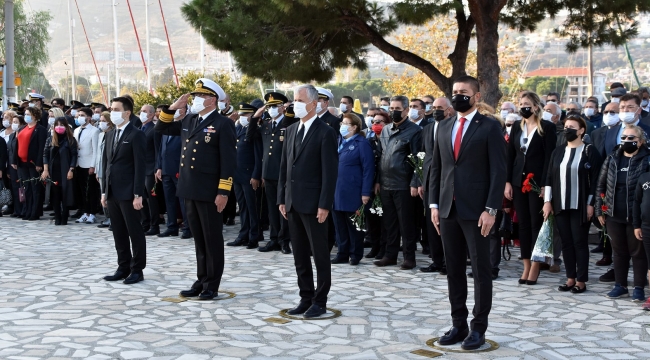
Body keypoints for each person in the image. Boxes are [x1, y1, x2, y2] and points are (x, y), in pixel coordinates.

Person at [429, 75, 507, 350]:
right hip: (448, 208)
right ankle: (458, 324)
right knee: (453, 270)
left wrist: (491, 209)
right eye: (454, 91)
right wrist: (434, 205)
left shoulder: (489, 127)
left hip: (477, 212)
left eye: (463, 92)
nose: (457, 95)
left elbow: (499, 171)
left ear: (476, 97)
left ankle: (478, 328)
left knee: (480, 269)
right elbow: (436, 168)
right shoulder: (443, 126)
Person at [155, 78, 237, 300]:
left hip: (210, 191)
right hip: (189, 188)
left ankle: (212, 284)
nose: (196, 100)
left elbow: (228, 161)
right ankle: (201, 279)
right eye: (195, 96)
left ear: (212, 99)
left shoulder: (223, 124)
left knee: (212, 238)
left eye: (200, 96)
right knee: (199, 238)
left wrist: (223, 192)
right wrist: (173, 107)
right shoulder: (189, 119)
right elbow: (161, 128)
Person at [278, 84, 338, 318]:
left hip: (314, 204)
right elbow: (284, 167)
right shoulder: (292, 129)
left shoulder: (326, 132)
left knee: (319, 254)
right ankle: (306, 296)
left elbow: (330, 172)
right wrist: (282, 198)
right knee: (300, 254)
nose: (296, 104)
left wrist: (324, 204)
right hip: (293, 202)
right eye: (295, 100)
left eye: (300, 100)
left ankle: (320, 301)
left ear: (314, 104)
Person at [543, 115, 602, 294]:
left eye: (572, 127)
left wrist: (591, 203)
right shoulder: (558, 151)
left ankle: (581, 281)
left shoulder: (589, 151)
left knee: (579, 242)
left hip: (581, 205)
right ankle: (570, 278)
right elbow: (548, 177)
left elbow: (596, 181)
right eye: (566, 126)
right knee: (566, 242)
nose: (567, 129)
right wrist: (547, 201)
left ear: (581, 130)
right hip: (560, 204)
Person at [504, 91, 557, 285]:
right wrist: (508, 181)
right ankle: (526, 264)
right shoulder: (517, 127)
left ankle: (536, 265)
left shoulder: (547, 128)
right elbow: (510, 155)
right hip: (518, 182)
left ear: (536, 106)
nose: (523, 106)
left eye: (526, 103)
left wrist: (545, 185)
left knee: (537, 224)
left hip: (537, 184)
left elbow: (550, 159)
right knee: (523, 224)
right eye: (520, 103)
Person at [596, 125, 650, 302]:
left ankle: (639, 287)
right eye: (624, 138)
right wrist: (599, 209)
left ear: (640, 141)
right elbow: (601, 185)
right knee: (619, 252)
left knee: (637, 252)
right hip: (613, 213)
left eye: (631, 138)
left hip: (636, 216)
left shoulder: (647, 160)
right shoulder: (612, 158)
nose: (627, 141)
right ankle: (620, 286)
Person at [101, 97, 147, 285]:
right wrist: (104, 191)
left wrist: (138, 194)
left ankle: (137, 269)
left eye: (116, 109)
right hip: (112, 192)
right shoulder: (110, 134)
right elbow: (106, 164)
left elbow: (140, 166)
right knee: (118, 231)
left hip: (129, 192)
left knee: (134, 231)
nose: (112, 112)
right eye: (111, 109)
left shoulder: (136, 135)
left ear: (127, 113)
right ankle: (123, 266)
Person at [373, 95, 423, 270]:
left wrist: (415, 182)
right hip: (386, 183)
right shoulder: (385, 130)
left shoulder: (415, 131)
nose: (394, 112)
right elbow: (379, 156)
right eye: (391, 109)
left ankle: (409, 257)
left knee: (406, 223)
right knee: (389, 222)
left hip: (404, 184)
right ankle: (390, 255)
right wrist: (377, 181)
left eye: (397, 109)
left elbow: (419, 159)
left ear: (407, 110)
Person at [247, 92, 297, 254]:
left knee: (283, 208)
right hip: (268, 173)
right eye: (269, 106)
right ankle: (274, 239)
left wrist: (289, 111)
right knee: (272, 209)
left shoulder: (289, 123)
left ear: (283, 107)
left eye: (275, 106)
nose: (271, 109)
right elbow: (250, 136)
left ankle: (284, 240)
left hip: (283, 173)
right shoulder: (267, 124)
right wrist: (255, 117)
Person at [331, 113, 374, 265]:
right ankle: (342, 253)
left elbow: (368, 169)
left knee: (354, 226)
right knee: (340, 225)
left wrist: (365, 192)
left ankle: (355, 254)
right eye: (342, 123)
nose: (342, 126)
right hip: (337, 190)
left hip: (353, 191)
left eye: (346, 123)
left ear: (354, 127)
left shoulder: (362, 144)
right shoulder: (338, 141)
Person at [419, 96, 453, 274]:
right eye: (433, 107)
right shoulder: (428, 129)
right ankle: (437, 260)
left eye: (440, 107)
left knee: (447, 222)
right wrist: (420, 181)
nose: (436, 110)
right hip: (429, 182)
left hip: (447, 182)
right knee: (431, 222)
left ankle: (450, 261)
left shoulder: (453, 126)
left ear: (449, 110)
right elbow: (424, 156)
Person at [227, 103, 263, 249]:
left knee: (252, 207)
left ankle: (254, 236)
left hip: (249, 175)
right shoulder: (238, 128)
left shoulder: (255, 132)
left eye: (245, 115)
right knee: (242, 207)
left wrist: (256, 175)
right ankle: (243, 234)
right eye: (241, 115)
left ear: (252, 116)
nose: (242, 117)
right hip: (237, 174)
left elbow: (258, 155)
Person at [156, 103, 192, 239]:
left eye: (179, 108)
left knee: (183, 200)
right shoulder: (168, 127)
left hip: (179, 169)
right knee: (169, 200)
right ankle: (171, 227)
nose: (176, 111)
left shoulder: (185, 126)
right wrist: (159, 167)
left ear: (184, 111)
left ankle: (188, 227)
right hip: (166, 168)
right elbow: (161, 149)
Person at [11, 106, 47, 221]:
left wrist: (39, 163)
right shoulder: (22, 128)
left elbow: (42, 147)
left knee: (35, 188)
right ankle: (27, 210)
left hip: (33, 163)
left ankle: (35, 212)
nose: (26, 116)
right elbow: (17, 145)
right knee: (26, 188)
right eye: (25, 114)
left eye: (28, 114)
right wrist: (14, 160)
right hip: (22, 163)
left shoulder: (40, 129)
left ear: (35, 116)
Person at [42, 117, 78, 225]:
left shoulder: (70, 140)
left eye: (61, 125)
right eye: (57, 125)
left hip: (65, 170)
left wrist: (71, 169)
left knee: (65, 194)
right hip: (53, 171)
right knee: (55, 195)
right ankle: (57, 217)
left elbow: (74, 156)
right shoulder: (50, 139)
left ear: (66, 127)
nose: (59, 127)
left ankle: (64, 217)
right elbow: (45, 154)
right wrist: (45, 169)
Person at [72, 107, 100, 224]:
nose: (79, 117)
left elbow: (95, 150)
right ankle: (84, 211)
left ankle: (92, 213)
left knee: (90, 190)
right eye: (78, 115)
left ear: (88, 117)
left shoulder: (94, 131)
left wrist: (92, 165)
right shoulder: (77, 130)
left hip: (88, 164)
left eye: (82, 115)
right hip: (78, 163)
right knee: (81, 190)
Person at [140, 104, 162, 236]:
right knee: (141, 198)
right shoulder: (140, 128)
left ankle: (155, 225)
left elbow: (157, 151)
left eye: (145, 111)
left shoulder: (154, 130)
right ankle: (145, 222)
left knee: (151, 198)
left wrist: (156, 168)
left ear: (152, 114)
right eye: (141, 111)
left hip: (150, 169)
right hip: (141, 169)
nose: (142, 113)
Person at [96, 112, 113, 229]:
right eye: (100, 120)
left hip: (109, 169)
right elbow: (99, 154)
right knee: (102, 194)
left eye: (103, 120)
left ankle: (113, 218)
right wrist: (97, 169)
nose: (101, 123)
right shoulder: (101, 135)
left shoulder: (112, 134)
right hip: (101, 168)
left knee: (109, 194)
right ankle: (107, 217)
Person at [7, 114, 24, 217]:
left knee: (22, 188)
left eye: (16, 122)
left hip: (21, 165)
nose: (14, 124)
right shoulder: (11, 135)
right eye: (13, 122)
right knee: (15, 188)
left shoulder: (23, 134)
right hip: (12, 166)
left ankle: (23, 209)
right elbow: (10, 151)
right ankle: (17, 210)